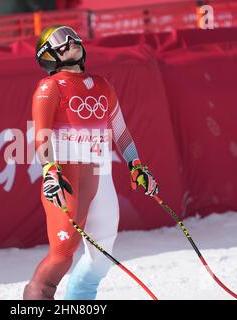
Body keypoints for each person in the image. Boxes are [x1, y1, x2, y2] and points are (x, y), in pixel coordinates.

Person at [23, 25, 159, 300]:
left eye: (73, 35)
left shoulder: (102, 85)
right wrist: (50, 170)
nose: (71, 40)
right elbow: (41, 137)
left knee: (102, 255)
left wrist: (137, 166)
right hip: (66, 179)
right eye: (61, 39)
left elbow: (120, 132)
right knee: (62, 255)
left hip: (101, 176)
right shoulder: (50, 87)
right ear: (48, 54)